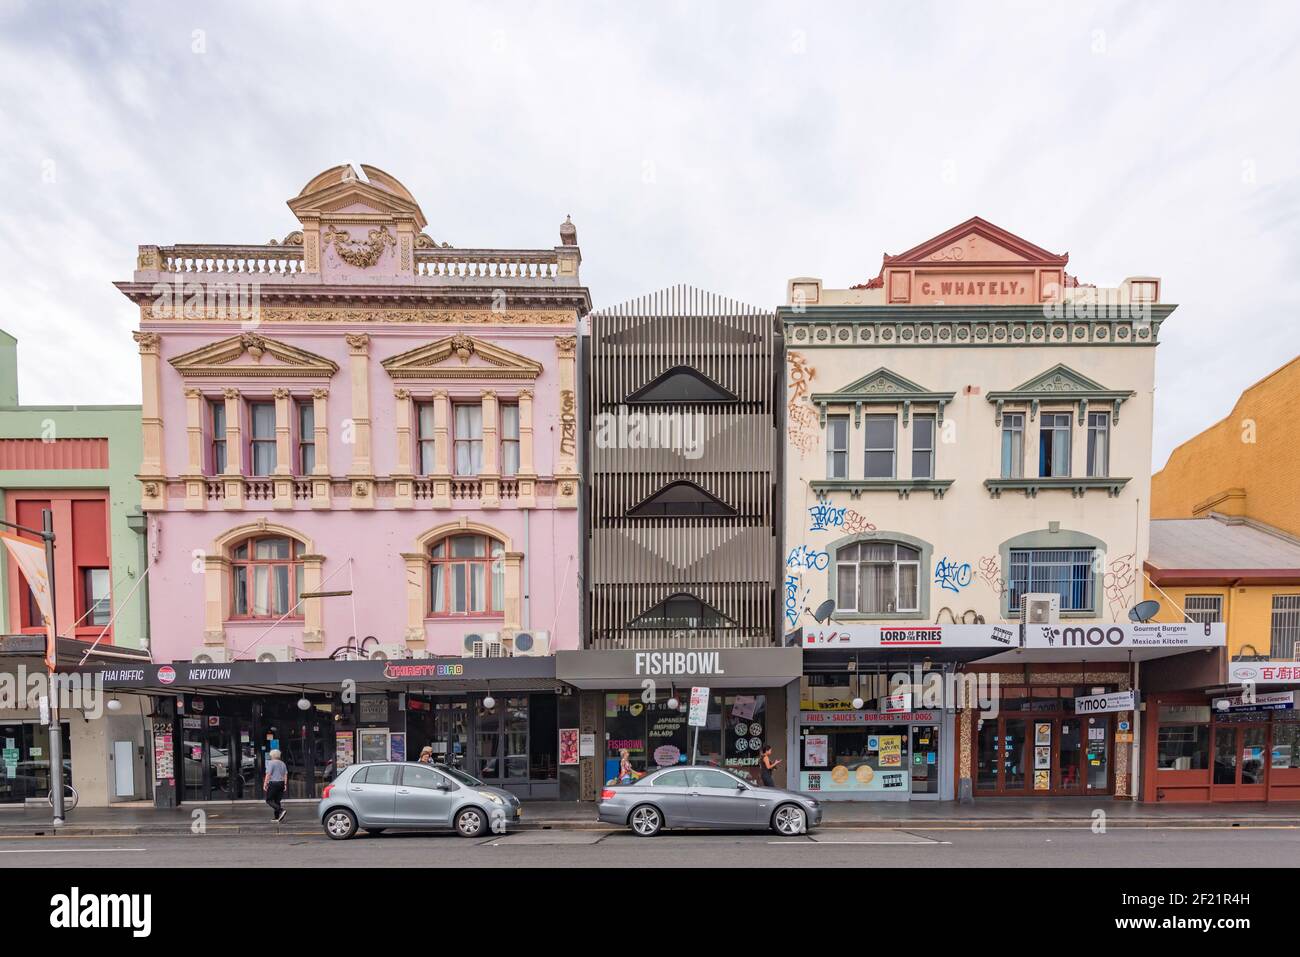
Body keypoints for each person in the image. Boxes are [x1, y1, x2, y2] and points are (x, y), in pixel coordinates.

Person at [264, 749, 288, 823]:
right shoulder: (282, 763)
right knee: (277, 801)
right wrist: (285, 784)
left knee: (269, 800)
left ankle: (281, 810)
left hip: (273, 783)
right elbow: (285, 775)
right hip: (281, 783)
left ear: (272, 755)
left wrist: (265, 783)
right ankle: (277, 818)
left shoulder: (271, 763)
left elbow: (268, 774)